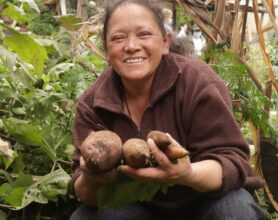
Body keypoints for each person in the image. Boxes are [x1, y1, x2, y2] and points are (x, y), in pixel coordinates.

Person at [69, 0, 266, 219]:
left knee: (234, 209)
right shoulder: (93, 103)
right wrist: (92, 176)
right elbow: (86, 194)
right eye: (118, 38)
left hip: (205, 200)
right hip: (138, 206)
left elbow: (231, 162)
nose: (131, 46)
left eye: (144, 34)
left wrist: (187, 174)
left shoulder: (197, 83)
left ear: (165, 43)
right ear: (107, 50)